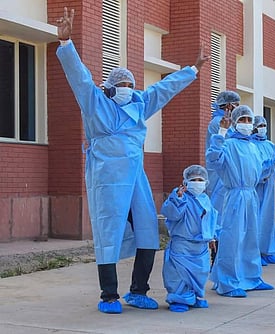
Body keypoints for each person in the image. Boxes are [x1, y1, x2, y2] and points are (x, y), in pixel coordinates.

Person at [55, 7, 209, 314]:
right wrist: (66, 43)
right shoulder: (96, 103)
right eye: (121, 85)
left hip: (136, 175)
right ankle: (108, 295)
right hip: (107, 175)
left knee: (148, 229)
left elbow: (163, 90)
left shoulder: (140, 105)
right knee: (108, 231)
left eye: (130, 84)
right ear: (111, 88)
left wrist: (192, 70)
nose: (127, 89)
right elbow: (81, 79)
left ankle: (138, 290)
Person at [206, 105, 275, 297]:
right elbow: (213, 160)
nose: (246, 124)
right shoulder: (227, 144)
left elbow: (263, 169)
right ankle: (227, 281)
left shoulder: (253, 147)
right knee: (233, 238)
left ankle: (252, 277)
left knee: (251, 238)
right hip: (235, 195)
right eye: (242, 120)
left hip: (251, 195)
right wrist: (221, 132)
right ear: (235, 122)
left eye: (248, 120)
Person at [160, 165, 217, 312]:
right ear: (186, 182)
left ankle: (195, 295)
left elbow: (210, 220)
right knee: (178, 273)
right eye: (193, 179)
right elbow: (172, 214)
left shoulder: (205, 199)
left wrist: (211, 237)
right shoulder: (180, 197)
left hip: (200, 245)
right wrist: (177, 198)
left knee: (200, 271)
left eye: (200, 179)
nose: (197, 182)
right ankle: (178, 298)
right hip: (182, 243)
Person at [205, 91, 240, 267]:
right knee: (219, 216)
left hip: (228, 176)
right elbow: (221, 145)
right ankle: (216, 256)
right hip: (220, 176)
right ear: (228, 106)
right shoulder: (218, 123)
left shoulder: (230, 124)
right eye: (236, 105)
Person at [251, 116, 275, 266]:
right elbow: (255, 167)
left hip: (269, 186)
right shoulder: (250, 145)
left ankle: (268, 251)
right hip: (255, 186)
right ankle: (255, 252)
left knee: (267, 219)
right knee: (255, 219)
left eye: (264, 124)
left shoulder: (270, 145)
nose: (262, 127)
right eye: (259, 125)